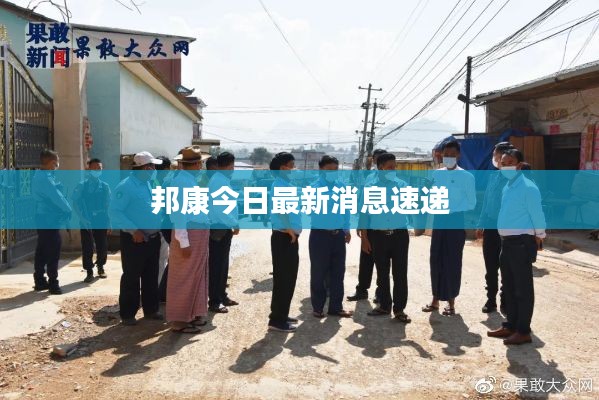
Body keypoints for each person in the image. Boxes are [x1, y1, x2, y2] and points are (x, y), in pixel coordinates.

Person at [488, 149, 546, 345]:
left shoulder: (528, 187)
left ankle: (523, 330)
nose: (505, 167)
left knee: (523, 289)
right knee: (509, 287)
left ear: (519, 166)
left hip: (521, 243)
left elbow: (537, 214)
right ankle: (511, 325)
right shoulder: (507, 186)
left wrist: (540, 235)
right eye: (503, 163)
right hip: (506, 242)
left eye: (510, 163)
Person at [109, 151, 164, 326]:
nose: (154, 169)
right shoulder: (126, 186)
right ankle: (128, 314)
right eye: (151, 166)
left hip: (153, 238)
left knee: (151, 275)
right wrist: (134, 230)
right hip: (135, 240)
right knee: (132, 277)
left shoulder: (149, 184)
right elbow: (115, 211)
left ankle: (151, 309)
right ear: (143, 168)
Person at [422, 141, 476, 316]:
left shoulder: (467, 177)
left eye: (452, 155)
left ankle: (451, 302)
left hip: (455, 220)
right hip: (439, 220)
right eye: (446, 155)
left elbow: (471, 203)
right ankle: (435, 300)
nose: (449, 157)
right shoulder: (436, 174)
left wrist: (452, 208)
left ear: (458, 155)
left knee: (452, 261)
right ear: (441, 155)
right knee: (436, 259)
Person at [360, 153, 411, 323]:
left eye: (394, 167)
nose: (393, 170)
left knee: (400, 273)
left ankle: (399, 309)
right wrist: (364, 239)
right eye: (390, 167)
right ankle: (384, 305)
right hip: (378, 236)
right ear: (380, 167)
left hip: (399, 236)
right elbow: (364, 214)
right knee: (382, 273)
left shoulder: (402, 185)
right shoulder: (369, 187)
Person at [167, 146, 212, 333]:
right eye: (200, 163)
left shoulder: (189, 181)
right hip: (189, 235)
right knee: (184, 277)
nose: (201, 166)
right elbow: (179, 215)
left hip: (197, 234)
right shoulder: (181, 183)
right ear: (195, 164)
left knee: (196, 275)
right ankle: (179, 320)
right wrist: (183, 242)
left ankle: (192, 314)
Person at [309, 155, 352, 319]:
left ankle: (336, 307)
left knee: (338, 273)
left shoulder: (342, 187)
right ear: (321, 170)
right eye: (329, 170)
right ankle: (318, 307)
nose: (333, 173)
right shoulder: (313, 188)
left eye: (335, 169)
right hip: (319, 236)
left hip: (338, 235)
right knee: (318, 273)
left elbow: (346, 210)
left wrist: (346, 230)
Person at [476, 142, 514, 313]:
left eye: (496, 156)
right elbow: (486, 202)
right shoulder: (493, 177)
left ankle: (505, 300)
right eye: (495, 157)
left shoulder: (514, 179)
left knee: (506, 266)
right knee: (490, 266)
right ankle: (490, 299)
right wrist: (481, 224)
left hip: (508, 228)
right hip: (491, 226)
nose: (495, 160)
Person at [347, 148, 387, 303]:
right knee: (366, 258)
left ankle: (381, 292)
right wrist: (360, 224)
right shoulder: (370, 176)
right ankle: (362, 289)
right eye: (376, 159)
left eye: (381, 159)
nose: (378, 162)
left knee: (382, 262)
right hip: (368, 224)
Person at [268, 152, 301, 332]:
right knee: (283, 279)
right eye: (291, 165)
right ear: (282, 168)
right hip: (284, 236)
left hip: (288, 236)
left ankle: (281, 314)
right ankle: (277, 320)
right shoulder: (280, 185)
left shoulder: (285, 184)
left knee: (288, 278)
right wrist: (289, 231)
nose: (294, 169)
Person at [32, 149, 72, 295]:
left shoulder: (41, 175)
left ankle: (39, 280)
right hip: (48, 218)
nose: (57, 165)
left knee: (42, 249)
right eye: (56, 162)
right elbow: (57, 197)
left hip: (43, 216)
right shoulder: (45, 179)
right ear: (51, 162)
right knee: (53, 250)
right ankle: (53, 284)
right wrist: (68, 209)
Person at [208, 152, 240, 313]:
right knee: (216, 265)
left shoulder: (222, 180)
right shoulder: (218, 182)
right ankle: (214, 300)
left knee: (223, 264)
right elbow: (221, 210)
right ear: (226, 166)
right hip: (219, 227)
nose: (233, 170)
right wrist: (234, 223)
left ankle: (221, 295)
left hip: (224, 227)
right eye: (232, 166)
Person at [72, 158, 111, 283]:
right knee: (87, 246)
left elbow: (108, 205)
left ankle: (100, 267)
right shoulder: (82, 185)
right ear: (89, 169)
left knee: (102, 245)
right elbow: (75, 202)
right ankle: (89, 271)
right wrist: (82, 218)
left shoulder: (105, 186)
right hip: (86, 218)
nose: (97, 170)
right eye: (95, 168)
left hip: (101, 218)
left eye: (99, 168)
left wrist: (109, 222)